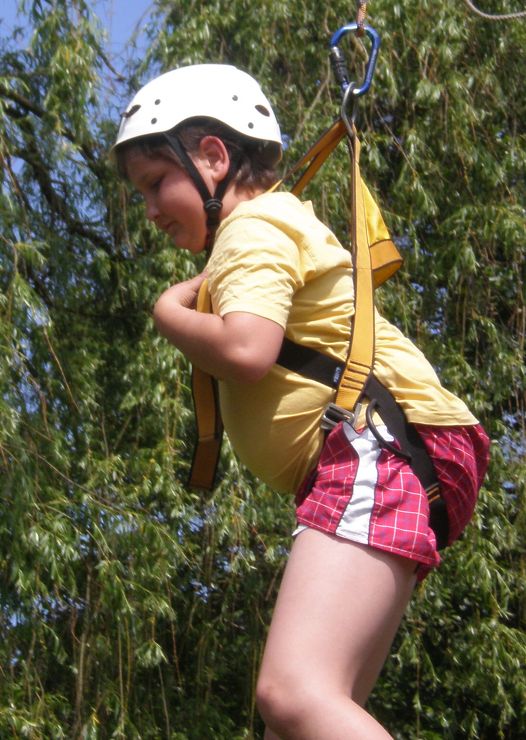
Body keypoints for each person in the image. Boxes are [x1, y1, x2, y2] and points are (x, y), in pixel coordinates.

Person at [113, 64, 490, 739]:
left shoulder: (251, 230)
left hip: (377, 445)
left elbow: (246, 349)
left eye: (156, 181)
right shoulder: (264, 231)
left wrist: (167, 312)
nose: (149, 209)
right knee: (304, 719)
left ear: (213, 157)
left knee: (293, 692)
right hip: (393, 451)